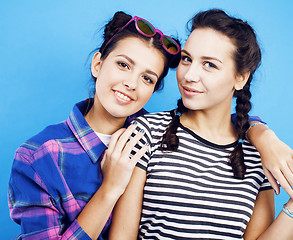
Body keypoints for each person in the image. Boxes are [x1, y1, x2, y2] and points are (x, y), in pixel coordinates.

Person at [108, 9, 293, 239]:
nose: (189, 75)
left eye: (209, 65)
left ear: (241, 77)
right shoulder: (146, 132)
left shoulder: (257, 157)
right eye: (187, 59)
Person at [7, 11, 182, 239]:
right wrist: (110, 189)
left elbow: (213, 125)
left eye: (147, 78)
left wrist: (245, 124)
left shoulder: (160, 135)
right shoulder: (39, 157)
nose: (131, 83)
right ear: (98, 64)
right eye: (123, 65)